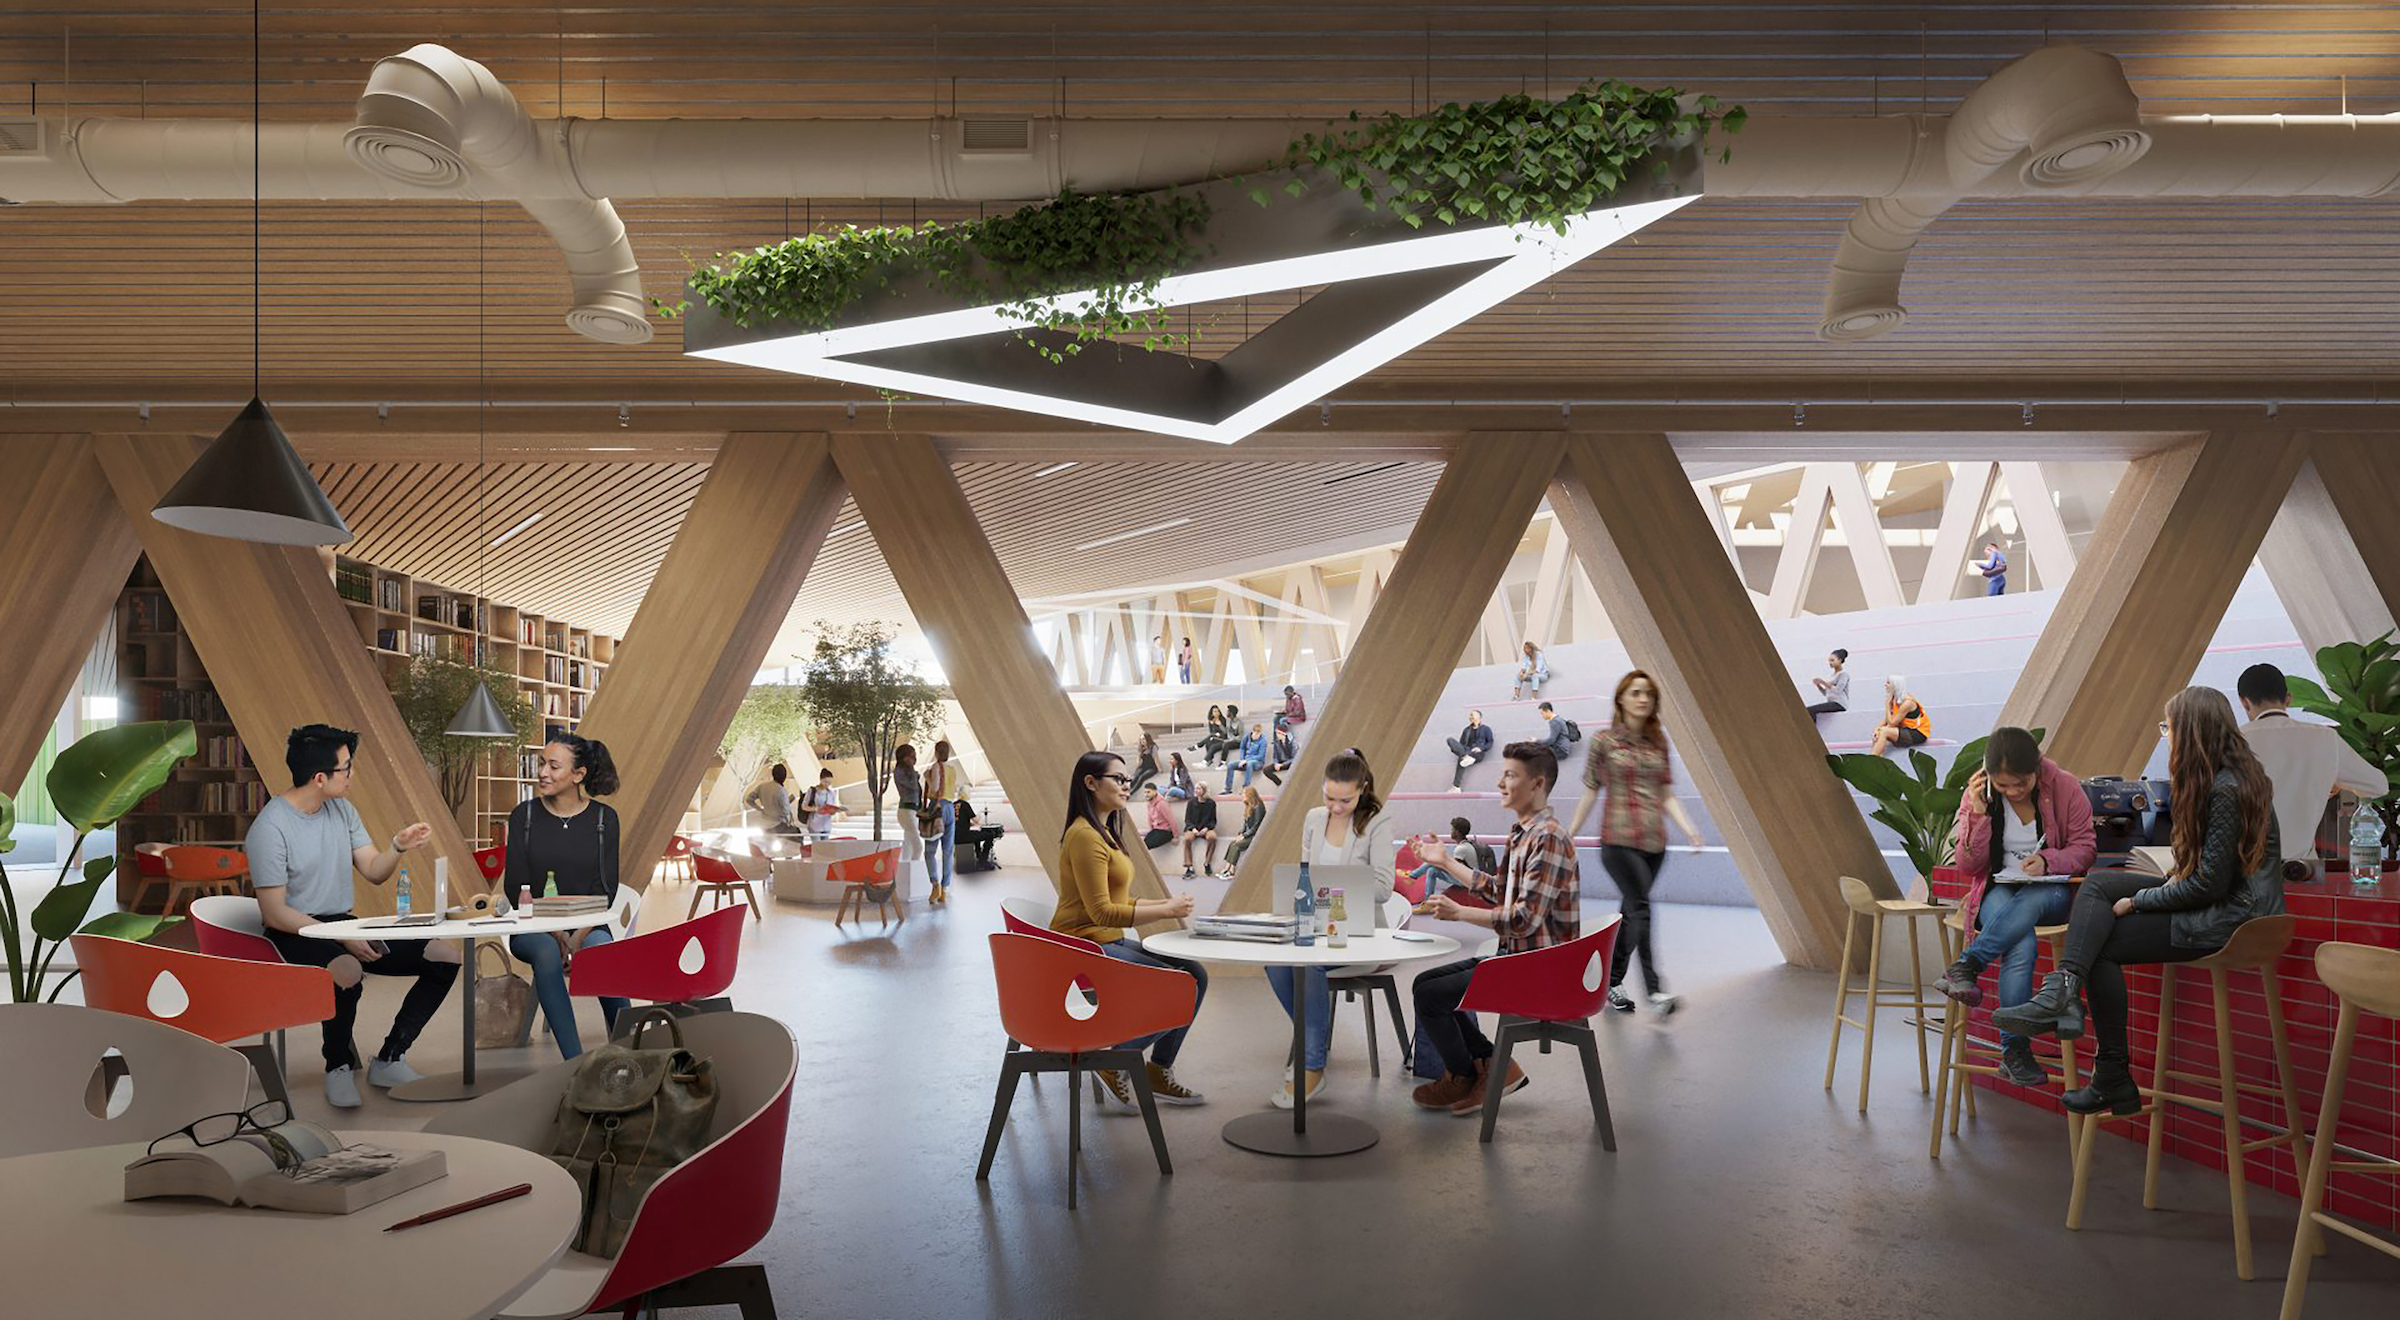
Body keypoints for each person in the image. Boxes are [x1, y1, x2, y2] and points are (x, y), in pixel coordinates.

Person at [1993, 686, 2284, 1116]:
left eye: (2170, 728)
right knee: (2099, 884)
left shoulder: (2224, 789)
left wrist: (2142, 901)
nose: (2168, 737)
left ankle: (2108, 1069)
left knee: (2104, 943)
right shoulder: (2228, 779)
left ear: (2193, 732)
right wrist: (2158, 885)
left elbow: (2209, 886)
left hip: (2234, 919)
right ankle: (2065, 992)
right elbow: (2205, 870)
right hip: (2230, 906)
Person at [248, 724, 458, 1108]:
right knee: (347, 969)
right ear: (319, 777)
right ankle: (338, 1067)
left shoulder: (342, 810)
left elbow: (374, 870)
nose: (351, 775)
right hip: (294, 932)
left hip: (344, 922)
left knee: (444, 955)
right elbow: (275, 912)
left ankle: (390, 1058)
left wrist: (398, 846)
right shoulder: (271, 827)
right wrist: (339, 936)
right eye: (346, 768)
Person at [1411, 741, 1580, 1116]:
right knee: (1425, 986)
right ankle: (1489, 1067)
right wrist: (1444, 862)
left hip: (1539, 969)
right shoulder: (1523, 833)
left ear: (1536, 785)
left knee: (1431, 996)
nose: (1501, 782)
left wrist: (1461, 914)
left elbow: (1522, 919)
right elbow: (1498, 890)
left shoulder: (1548, 837)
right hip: (1516, 958)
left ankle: (1469, 1073)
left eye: (1510, 775)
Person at [1928, 727, 2096, 1086]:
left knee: (2031, 902)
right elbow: (1969, 867)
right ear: (1989, 777)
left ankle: (1967, 965)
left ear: (2037, 768)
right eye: (2003, 786)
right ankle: (2016, 1054)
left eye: (2021, 783)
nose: (2014, 792)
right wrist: (1977, 815)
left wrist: (2049, 860)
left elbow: (2086, 848)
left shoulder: (2065, 787)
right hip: (1997, 891)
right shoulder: (1977, 796)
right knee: (2021, 944)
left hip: (2047, 894)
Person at [1050, 750, 1207, 1109]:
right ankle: (1115, 1061)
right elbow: (1102, 913)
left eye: (1126, 779)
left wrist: (1163, 906)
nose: (1127, 785)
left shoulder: (1103, 831)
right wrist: (1166, 909)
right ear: (1090, 783)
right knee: (1182, 985)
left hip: (1105, 939)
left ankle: (1156, 1070)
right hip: (1083, 947)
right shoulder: (1085, 837)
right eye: (1118, 779)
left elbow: (1122, 900)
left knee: (1194, 973)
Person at [1262, 750, 1396, 1108]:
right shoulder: (1313, 818)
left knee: (1308, 965)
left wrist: (1331, 891)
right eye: (1329, 797)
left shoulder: (1377, 822)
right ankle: (1314, 1043)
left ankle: (1313, 1067)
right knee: (1273, 961)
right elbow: (1306, 874)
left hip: (1363, 936)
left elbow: (1383, 888)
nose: (1336, 807)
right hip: (1318, 927)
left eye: (1346, 800)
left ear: (1363, 789)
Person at [1566, 670, 1705, 1015]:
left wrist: (1689, 828)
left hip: (1654, 843)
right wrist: (1569, 832)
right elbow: (1590, 790)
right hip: (1618, 840)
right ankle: (1655, 991)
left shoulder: (1659, 744)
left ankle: (1611, 982)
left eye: (1649, 694)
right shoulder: (1603, 741)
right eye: (1636, 692)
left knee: (1632, 912)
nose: (1643, 699)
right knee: (1641, 907)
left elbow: (1666, 794)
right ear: (1621, 699)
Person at [502, 734, 632, 1059]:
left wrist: (577, 938)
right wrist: (558, 934)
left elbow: (606, 890)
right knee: (546, 951)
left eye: (553, 766)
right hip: (532, 927)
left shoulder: (604, 819)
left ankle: (633, 1056)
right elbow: (515, 886)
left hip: (589, 925)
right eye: (542, 763)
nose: (543, 772)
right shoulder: (524, 816)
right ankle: (574, 1064)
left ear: (578, 775)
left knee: (603, 951)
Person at [2236, 663, 2383, 879]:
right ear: (2288, 698)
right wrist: (2334, 780)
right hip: (2305, 872)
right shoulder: (2324, 738)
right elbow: (2378, 785)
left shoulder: (2234, 742)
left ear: (2244, 702)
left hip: (2246, 874)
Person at [926, 739, 970, 905]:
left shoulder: (936, 767)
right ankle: (945, 889)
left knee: (930, 849)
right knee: (947, 850)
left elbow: (936, 788)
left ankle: (934, 885)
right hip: (950, 808)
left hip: (937, 808)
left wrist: (927, 778)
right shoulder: (952, 769)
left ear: (936, 752)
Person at [1405, 817, 1480, 898]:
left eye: (1452, 829)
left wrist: (1438, 863)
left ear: (1457, 832)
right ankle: (1427, 900)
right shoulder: (1467, 845)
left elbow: (1456, 870)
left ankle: (1412, 876)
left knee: (1431, 864)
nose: (1450, 832)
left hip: (1465, 881)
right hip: (1471, 877)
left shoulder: (1461, 849)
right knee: (1432, 870)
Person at [892, 742, 927, 887]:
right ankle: (912, 877)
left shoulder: (907, 771)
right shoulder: (900, 771)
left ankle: (903, 878)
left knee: (908, 847)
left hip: (913, 811)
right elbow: (912, 785)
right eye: (911, 756)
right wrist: (914, 773)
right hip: (906, 811)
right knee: (917, 846)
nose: (913, 759)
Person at [1869, 679, 1930, 756]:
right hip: (1905, 728)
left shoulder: (1907, 703)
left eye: (1888, 683)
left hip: (1917, 733)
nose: (1885, 685)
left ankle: (1872, 759)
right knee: (1879, 732)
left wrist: (1887, 705)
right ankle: (1878, 759)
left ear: (1895, 685)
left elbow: (1892, 723)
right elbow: (1887, 718)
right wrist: (1877, 728)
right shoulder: (1895, 697)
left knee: (1884, 732)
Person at [743, 763, 801, 841]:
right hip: (777, 825)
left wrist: (760, 809)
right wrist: (788, 802)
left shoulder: (762, 786)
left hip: (764, 824)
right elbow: (786, 811)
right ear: (784, 776)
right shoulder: (781, 790)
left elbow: (749, 799)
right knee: (798, 836)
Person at [1221, 784, 1266, 875]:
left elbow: (1256, 827)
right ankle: (1227, 867)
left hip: (1255, 836)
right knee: (1232, 843)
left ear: (1250, 795)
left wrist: (1244, 836)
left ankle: (1231, 869)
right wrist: (1240, 833)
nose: (1243, 796)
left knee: (1236, 845)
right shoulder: (1249, 806)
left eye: (1244, 794)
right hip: (1248, 834)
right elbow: (1245, 824)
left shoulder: (1258, 807)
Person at [1179, 783, 1221, 879]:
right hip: (1193, 828)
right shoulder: (1191, 802)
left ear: (1204, 790)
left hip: (1206, 828)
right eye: (1196, 788)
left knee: (1212, 837)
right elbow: (1188, 819)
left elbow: (1213, 820)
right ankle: (1189, 867)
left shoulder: (1211, 803)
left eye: (1198, 788)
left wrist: (1206, 828)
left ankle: (1207, 863)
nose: (1196, 790)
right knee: (1187, 839)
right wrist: (1193, 829)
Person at [1446, 709, 1494, 790]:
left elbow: (1490, 742)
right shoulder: (1466, 730)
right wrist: (1461, 752)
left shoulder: (1486, 729)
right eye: (1470, 715)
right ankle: (1465, 757)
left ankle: (1456, 786)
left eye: (1472, 715)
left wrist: (1481, 748)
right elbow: (1461, 743)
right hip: (1466, 751)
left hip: (1477, 753)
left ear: (1478, 717)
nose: (1470, 717)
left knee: (1462, 761)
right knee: (1450, 740)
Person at [954, 799, 1004, 872]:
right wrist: (979, 815)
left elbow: (959, 822)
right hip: (964, 836)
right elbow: (976, 820)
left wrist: (969, 824)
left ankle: (979, 857)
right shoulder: (965, 804)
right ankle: (983, 862)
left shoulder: (953, 805)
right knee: (990, 835)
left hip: (954, 837)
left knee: (976, 834)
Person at [1806, 649, 1852, 721]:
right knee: (1808, 710)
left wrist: (1823, 682)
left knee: (1810, 710)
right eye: (1829, 661)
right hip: (1831, 702)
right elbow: (1826, 693)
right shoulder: (1832, 675)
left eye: (1832, 660)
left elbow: (1838, 690)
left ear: (1840, 660)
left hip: (1839, 703)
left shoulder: (1843, 674)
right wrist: (1819, 685)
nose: (1830, 663)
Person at [1225, 721, 1268, 793]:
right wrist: (1242, 759)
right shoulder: (1246, 737)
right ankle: (1228, 788)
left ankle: (1245, 788)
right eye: (1255, 734)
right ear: (1252, 732)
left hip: (1257, 762)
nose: (1256, 736)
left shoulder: (1263, 741)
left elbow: (1260, 756)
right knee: (1230, 764)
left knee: (1249, 764)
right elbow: (1242, 748)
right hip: (1245, 760)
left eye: (1258, 734)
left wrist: (1247, 760)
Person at [801, 768, 843, 840]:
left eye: (829, 783)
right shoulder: (812, 791)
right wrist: (815, 808)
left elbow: (832, 808)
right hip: (815, 823)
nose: (827, 784)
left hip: (826, 824)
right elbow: (804, 806)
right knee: (818, 846)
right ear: (821, 779)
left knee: (825, 847)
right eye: (825, 782)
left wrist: (833, 811)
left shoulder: (831, 793)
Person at [1141, 785, 1176, 850]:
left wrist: (1176, 836)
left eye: (1148, 792)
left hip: (1165, 831)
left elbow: (1171, 820)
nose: (1146, 794)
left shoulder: (1162, 804)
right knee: (1141, 845)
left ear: (1155, 792)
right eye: (1145, 792)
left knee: (1145, 846)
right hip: (1156, 830)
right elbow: (1150, 818)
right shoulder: (1149, 804)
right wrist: (1151, 830)